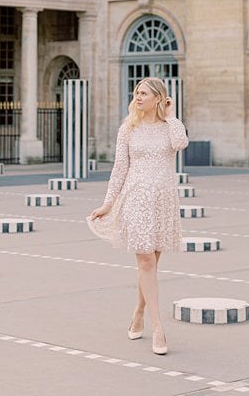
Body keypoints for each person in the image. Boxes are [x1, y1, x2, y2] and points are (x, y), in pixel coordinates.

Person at [87, 77, 189, 356]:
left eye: (144, 93)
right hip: (136, 198)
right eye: (136, 92)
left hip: (163, 200)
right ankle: (158, 328)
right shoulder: (128, 129)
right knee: (145, 259)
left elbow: (181, 144)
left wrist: (171, 116)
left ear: (158, 98)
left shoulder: (170, 127)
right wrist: (109, 203)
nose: (138, 96)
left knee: (151, 264)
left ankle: (138, 311)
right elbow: (120, 168)